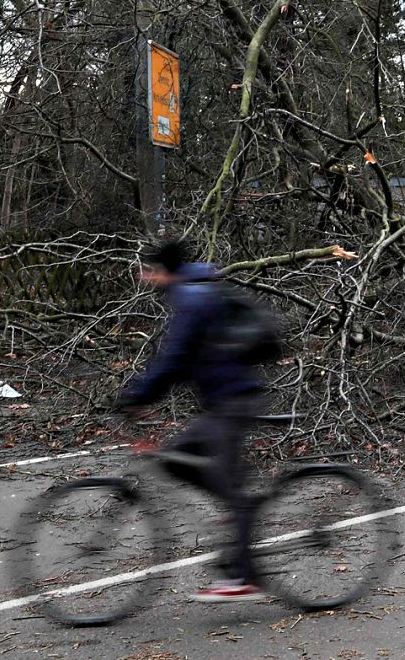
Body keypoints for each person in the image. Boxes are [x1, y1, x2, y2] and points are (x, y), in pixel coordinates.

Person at [117, 240, 266, 602]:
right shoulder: (193, 289)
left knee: (230, 492)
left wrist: (138, 395)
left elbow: (176, 357)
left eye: (146, 270)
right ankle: (237, 504)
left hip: (234, 400)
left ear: (160, 271)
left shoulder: (191, 297)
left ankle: (243, 577)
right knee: (174, 461)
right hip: (221, 401)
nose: (143, 277)